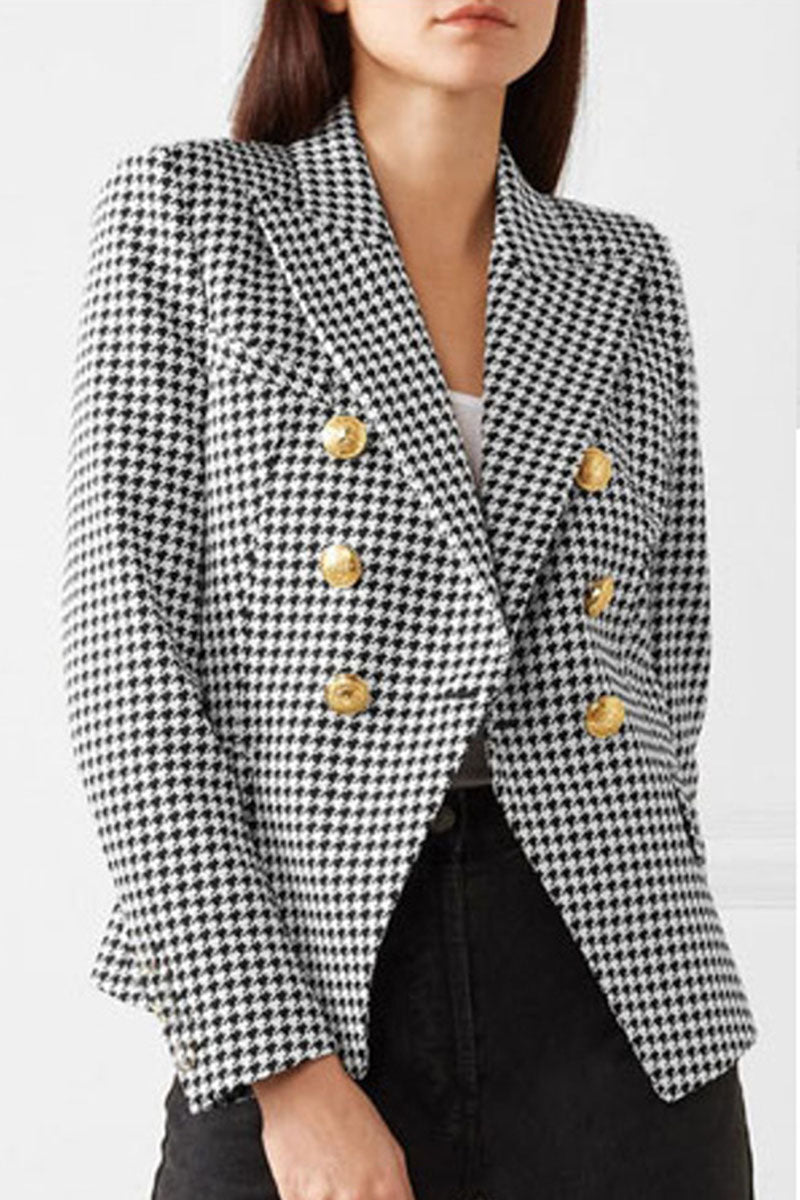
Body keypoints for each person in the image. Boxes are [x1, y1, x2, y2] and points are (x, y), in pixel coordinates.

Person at [61, 1, 759, 1196]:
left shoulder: (622, 269)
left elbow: (666, 646)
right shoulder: (193, 215)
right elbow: (131, 666)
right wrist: (281, 1067)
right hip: (312, 966)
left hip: (620, 993)